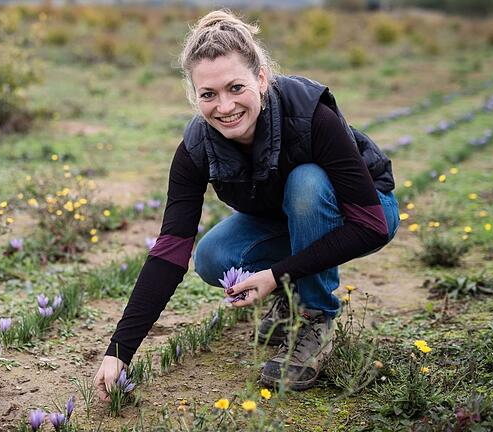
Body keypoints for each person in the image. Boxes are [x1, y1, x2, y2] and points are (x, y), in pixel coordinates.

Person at [94, 9, 399, 399]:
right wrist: (119, 351)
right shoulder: (196, 148)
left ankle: (315, 316)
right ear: (195, 98)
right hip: (288, 221)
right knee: (214, 255)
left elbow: (369, 225)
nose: (224, 106)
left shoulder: (310, 113)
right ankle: (289, 300)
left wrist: (276, 274)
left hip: (365, 212)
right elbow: (170, 252)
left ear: (261, 78)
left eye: (235, 88)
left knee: (306, 182)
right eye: (209, 94)